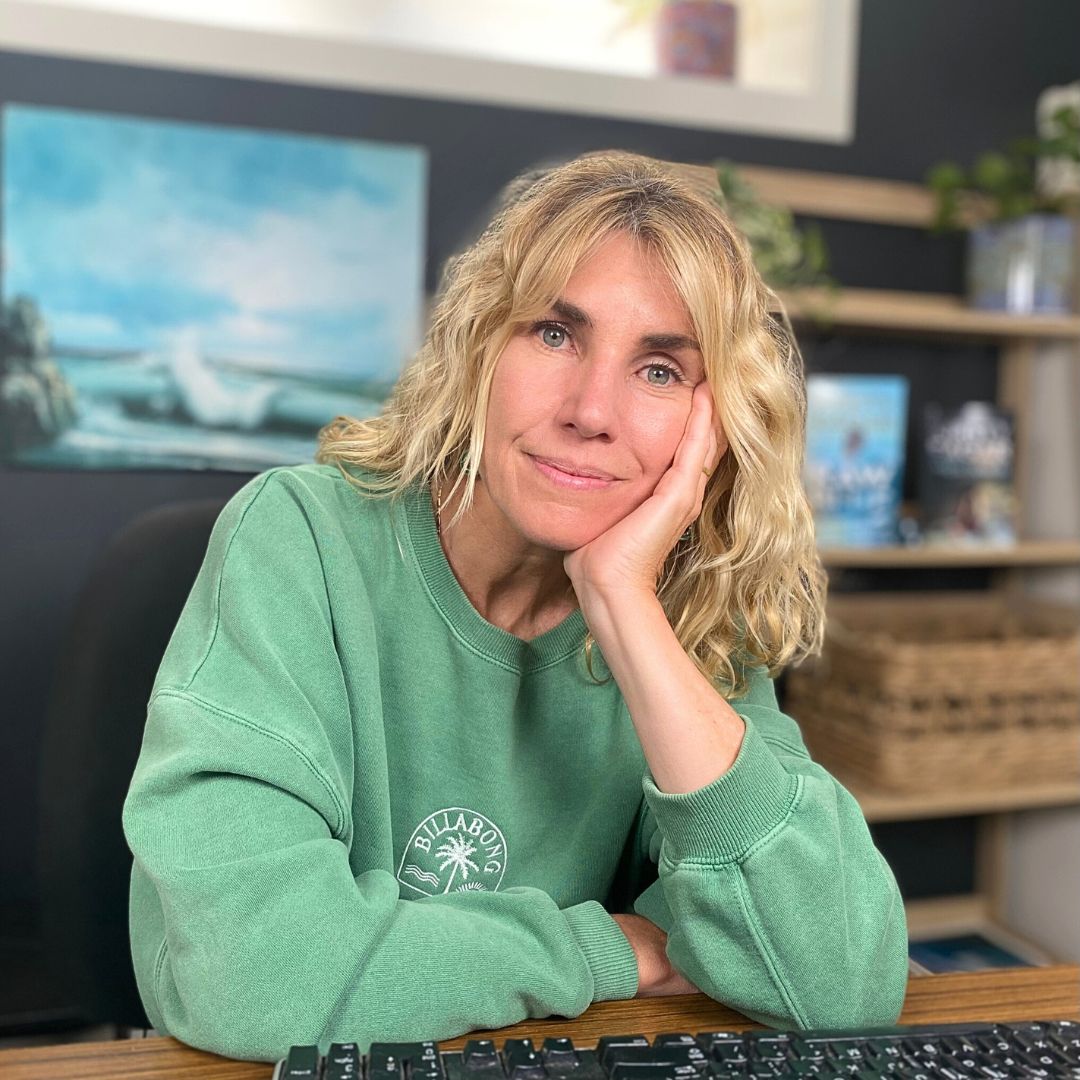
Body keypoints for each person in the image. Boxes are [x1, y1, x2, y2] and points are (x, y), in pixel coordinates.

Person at [123, 151, 908, 1063]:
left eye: (659, 370)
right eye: (555, 334)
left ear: (715, 426)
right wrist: (615, 945)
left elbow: (843, 980)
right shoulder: (299, 539)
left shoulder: (689, 609)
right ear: (478, 345)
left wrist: (623, 605)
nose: (591, 409)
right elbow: (254, 976)